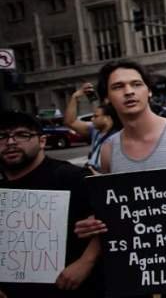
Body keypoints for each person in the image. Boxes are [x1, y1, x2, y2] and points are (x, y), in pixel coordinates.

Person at [73, 60, 166, 298]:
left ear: (149, 91)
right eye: (118, 86)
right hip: (137, 269)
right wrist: (98, 221)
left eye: (136, 84)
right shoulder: (109, 150)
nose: (129, 91)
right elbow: (118, 208)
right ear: (107, 98)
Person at [0, 111, 101, 297]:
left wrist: (86, 262)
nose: (10, 142)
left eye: (22, 135)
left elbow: (116, 218)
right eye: (2, 136)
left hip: (71, 289)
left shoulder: (72, 177)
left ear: (42, 141)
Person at [63, 83, 120, 171]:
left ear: (107, 118)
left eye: (95, 116)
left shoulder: (120, 135)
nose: (92, 119)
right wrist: (75, 97)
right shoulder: (95, 130)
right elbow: (70, 122)